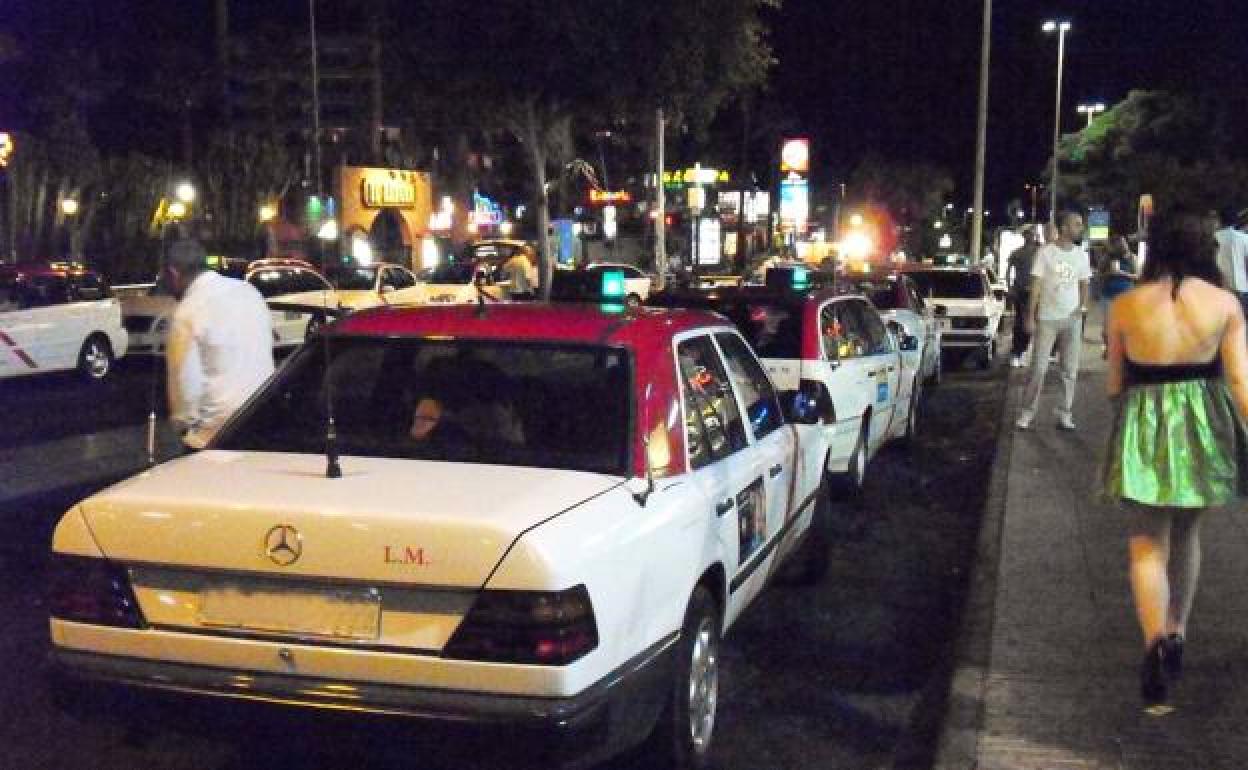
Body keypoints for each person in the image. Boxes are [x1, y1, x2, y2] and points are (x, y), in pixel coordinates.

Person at [1101, 210, 1248, 709]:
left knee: (1147, 541)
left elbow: (1115, 385)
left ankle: (1152, 642)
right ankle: (1178, 631)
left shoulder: (1125, 305)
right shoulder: (1225, 303)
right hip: (1204, 422)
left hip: (1145, 422)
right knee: (1188, 533)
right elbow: (1240, 383)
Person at [165, 239, 274, 450]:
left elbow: (185, 384)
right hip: (261, 419)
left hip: (215, 433)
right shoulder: (250, 293)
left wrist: (184, 426)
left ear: (174, 273)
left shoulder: (187, 313)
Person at [1016, 211, 1091, 431]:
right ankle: (1027, 412)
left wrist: (1082, 308)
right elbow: (1036, 287)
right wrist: (1030, 316)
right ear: (1065, 228)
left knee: (1069, 370)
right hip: (1047, 319)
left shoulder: (1081, 255)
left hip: (1072, 320)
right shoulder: (1045, 253)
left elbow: (1085, 283)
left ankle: (1064, 413)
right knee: (1038, 368)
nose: (1081, 228)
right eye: (1077, 225)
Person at [1097, 235, 1139, 356]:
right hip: (1108, 296)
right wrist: (1109, 273)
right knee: (1107, 327)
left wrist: (1122, 273)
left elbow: (1137, 276)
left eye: (1124, 243)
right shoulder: (1106, 258)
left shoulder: (1132, 258)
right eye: (1119, 244)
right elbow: (1099, 275)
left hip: (1126, 296)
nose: (1123, 246)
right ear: (1114, 246)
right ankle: (1107, 348)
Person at [1006, 225, 1041, 367]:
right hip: (1021, 292)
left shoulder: (1040, 252)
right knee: (1021, 322)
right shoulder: (1017, 253)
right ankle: (1017, 352)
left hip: (1037, 292)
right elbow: (1008, 272)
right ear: (1024, 236)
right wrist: (1010, 288)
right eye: (1028, 234)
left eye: (1033, 234)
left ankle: (1025, 351)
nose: (1031, 236)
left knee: (1034, 323)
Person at [1208, 207, 1248, 317]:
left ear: (1219, 220)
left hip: (1221, 288)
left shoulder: (1212, 239)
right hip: (1243, 288)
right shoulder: (1245, 238)